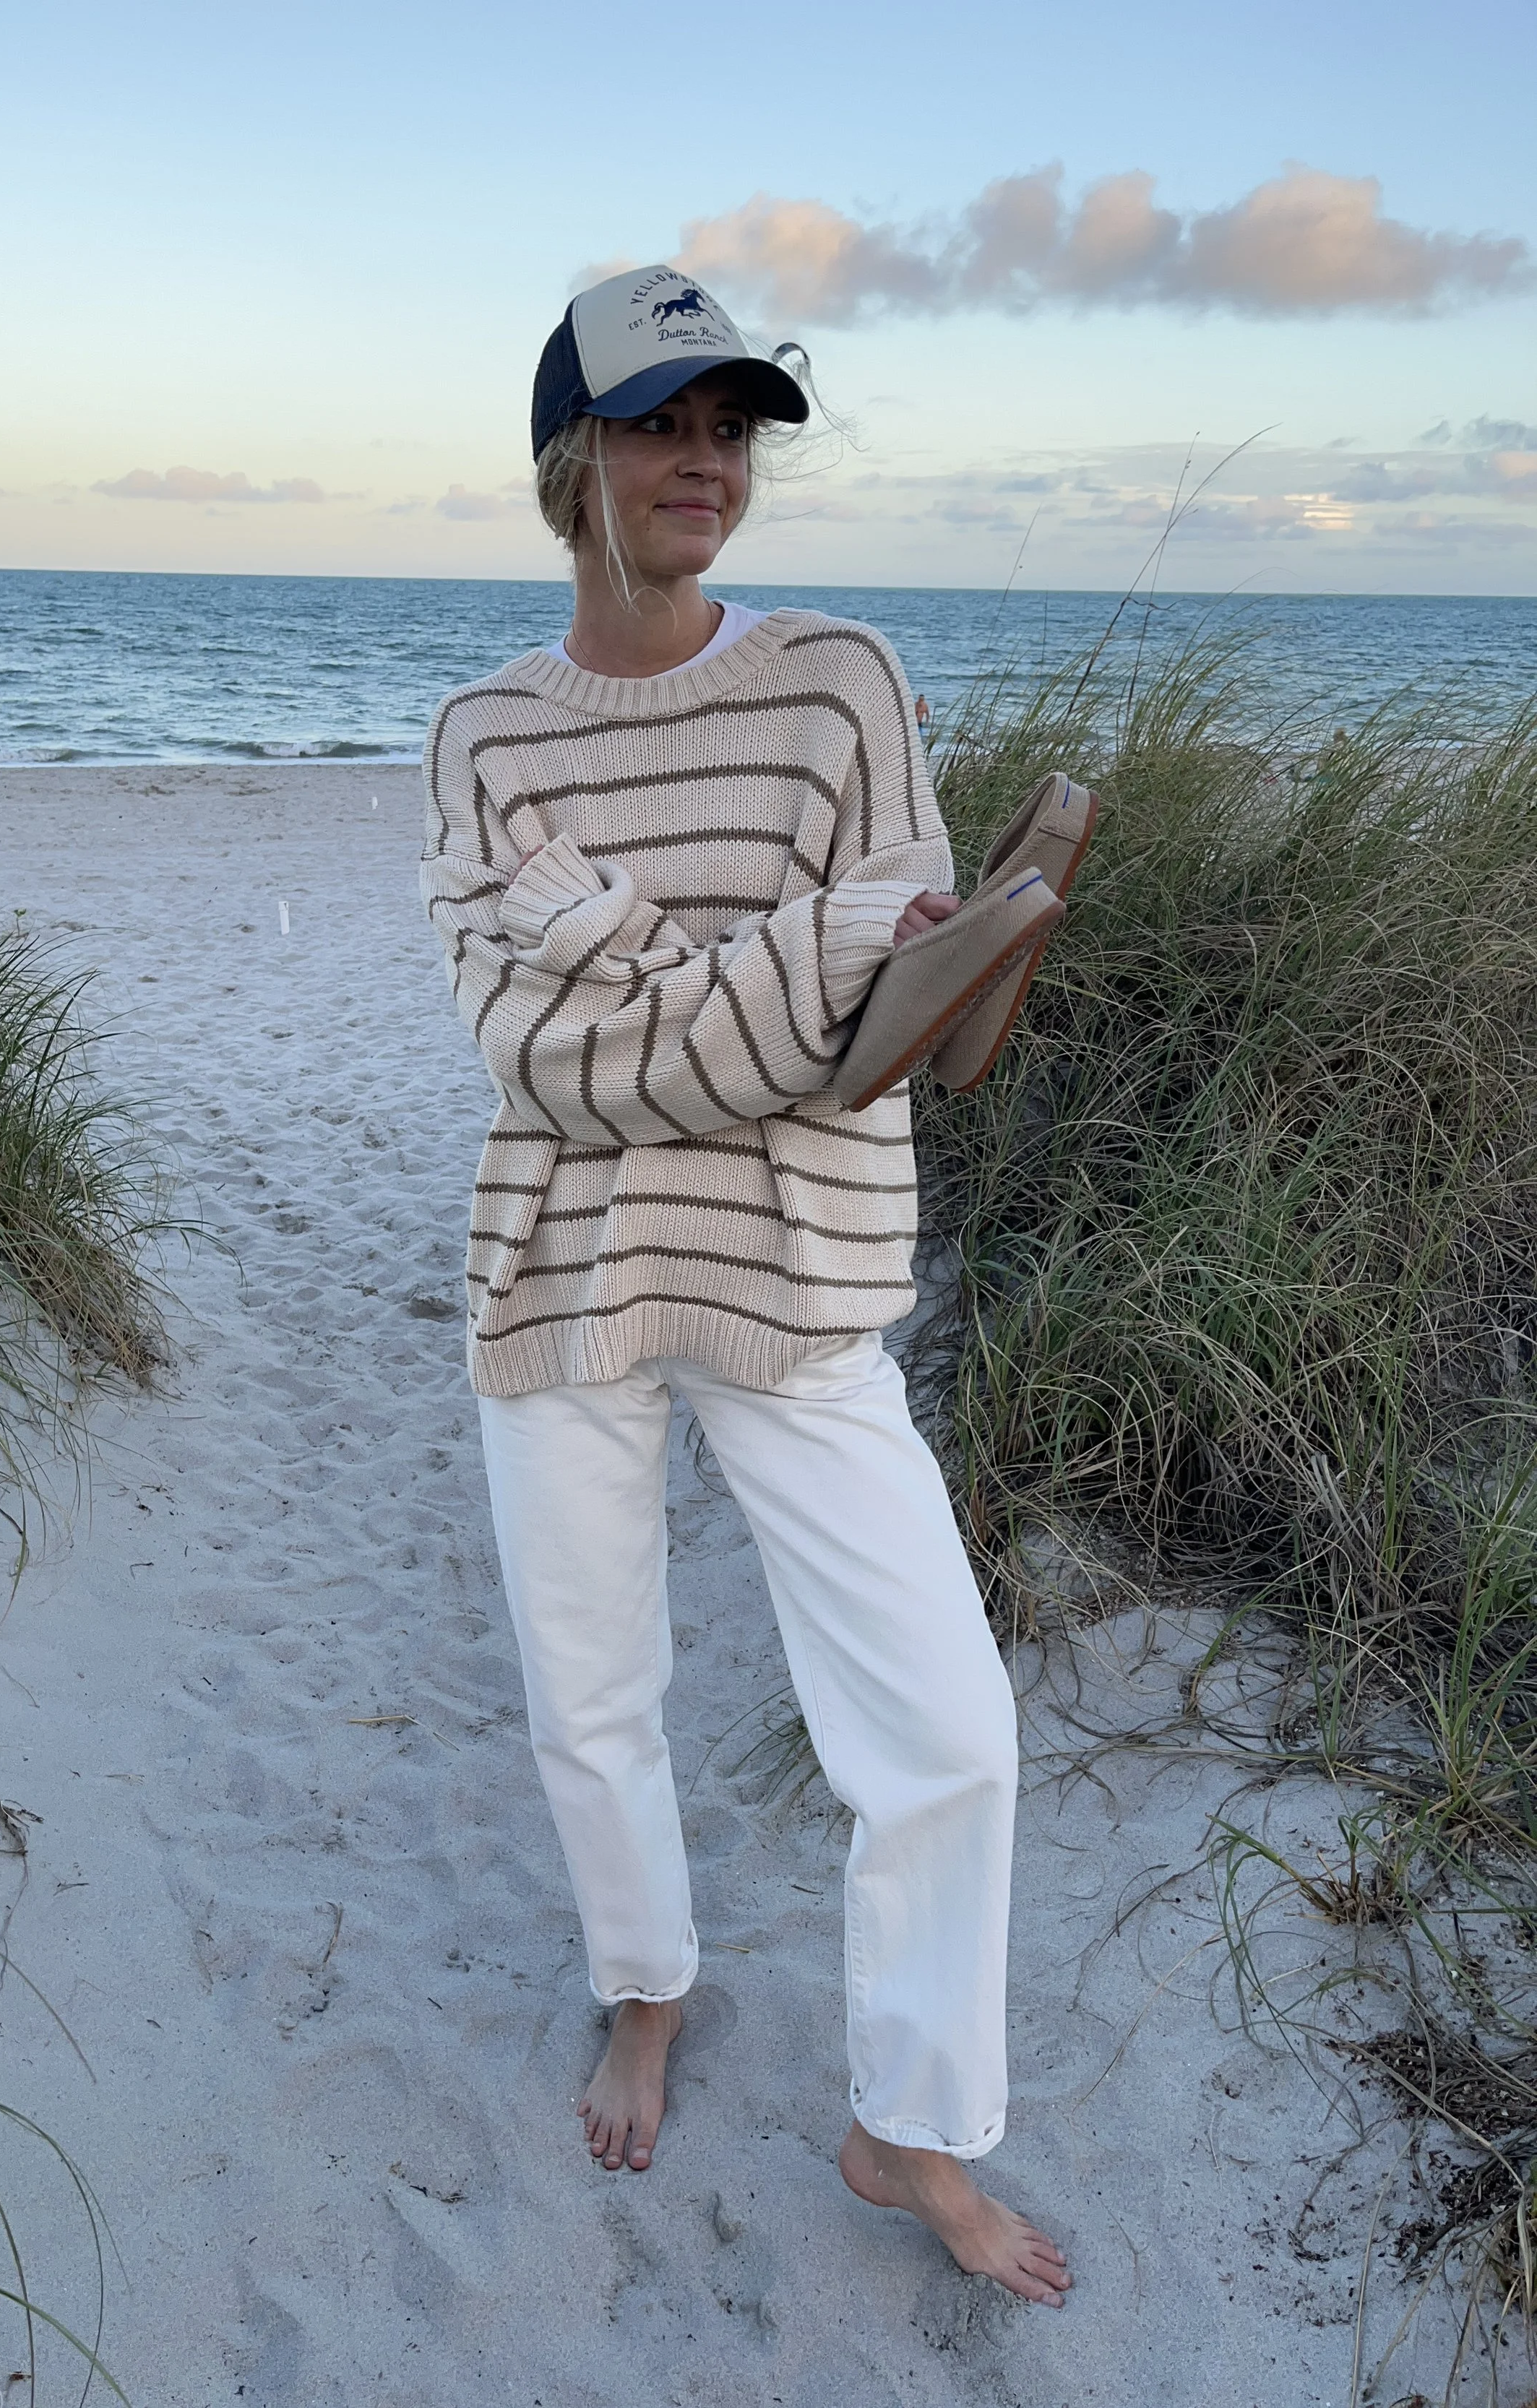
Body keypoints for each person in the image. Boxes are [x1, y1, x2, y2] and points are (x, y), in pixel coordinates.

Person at [419, 265, 1071, 2309]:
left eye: (732, 426)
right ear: (571, 463)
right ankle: (645, 1988)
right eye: (656, 423)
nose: (704, 462)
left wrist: (621, 945)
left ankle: (908, 2120)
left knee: (948, 1729)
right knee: (589, 1692)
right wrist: (775, 974)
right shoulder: (481, 737)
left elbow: (875, 1007)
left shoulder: (837, 681)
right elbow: (542, 1058)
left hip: (796, 1269)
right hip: (564, 1267)